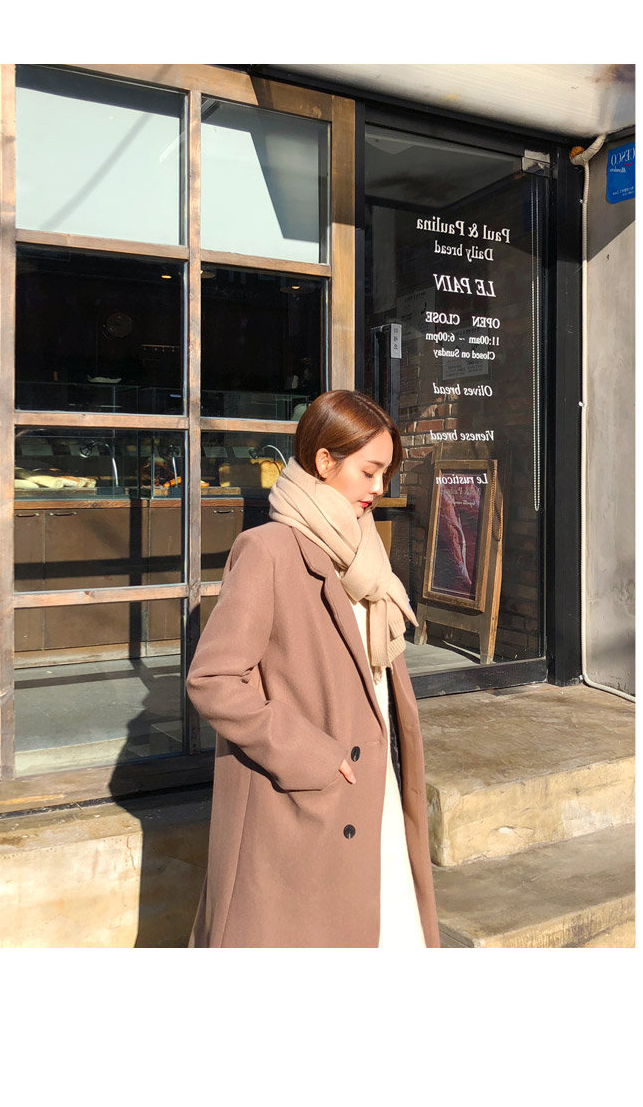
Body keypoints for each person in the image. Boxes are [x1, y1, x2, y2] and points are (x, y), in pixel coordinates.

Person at [186, 390, 439, 948]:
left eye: (385, 473)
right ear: (325, 461)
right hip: (305, 798)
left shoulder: (363, 548)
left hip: (373, 788)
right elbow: (214, 680)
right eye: (369, 471)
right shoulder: (269, 550)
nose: (380, 487)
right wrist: (313, 755)